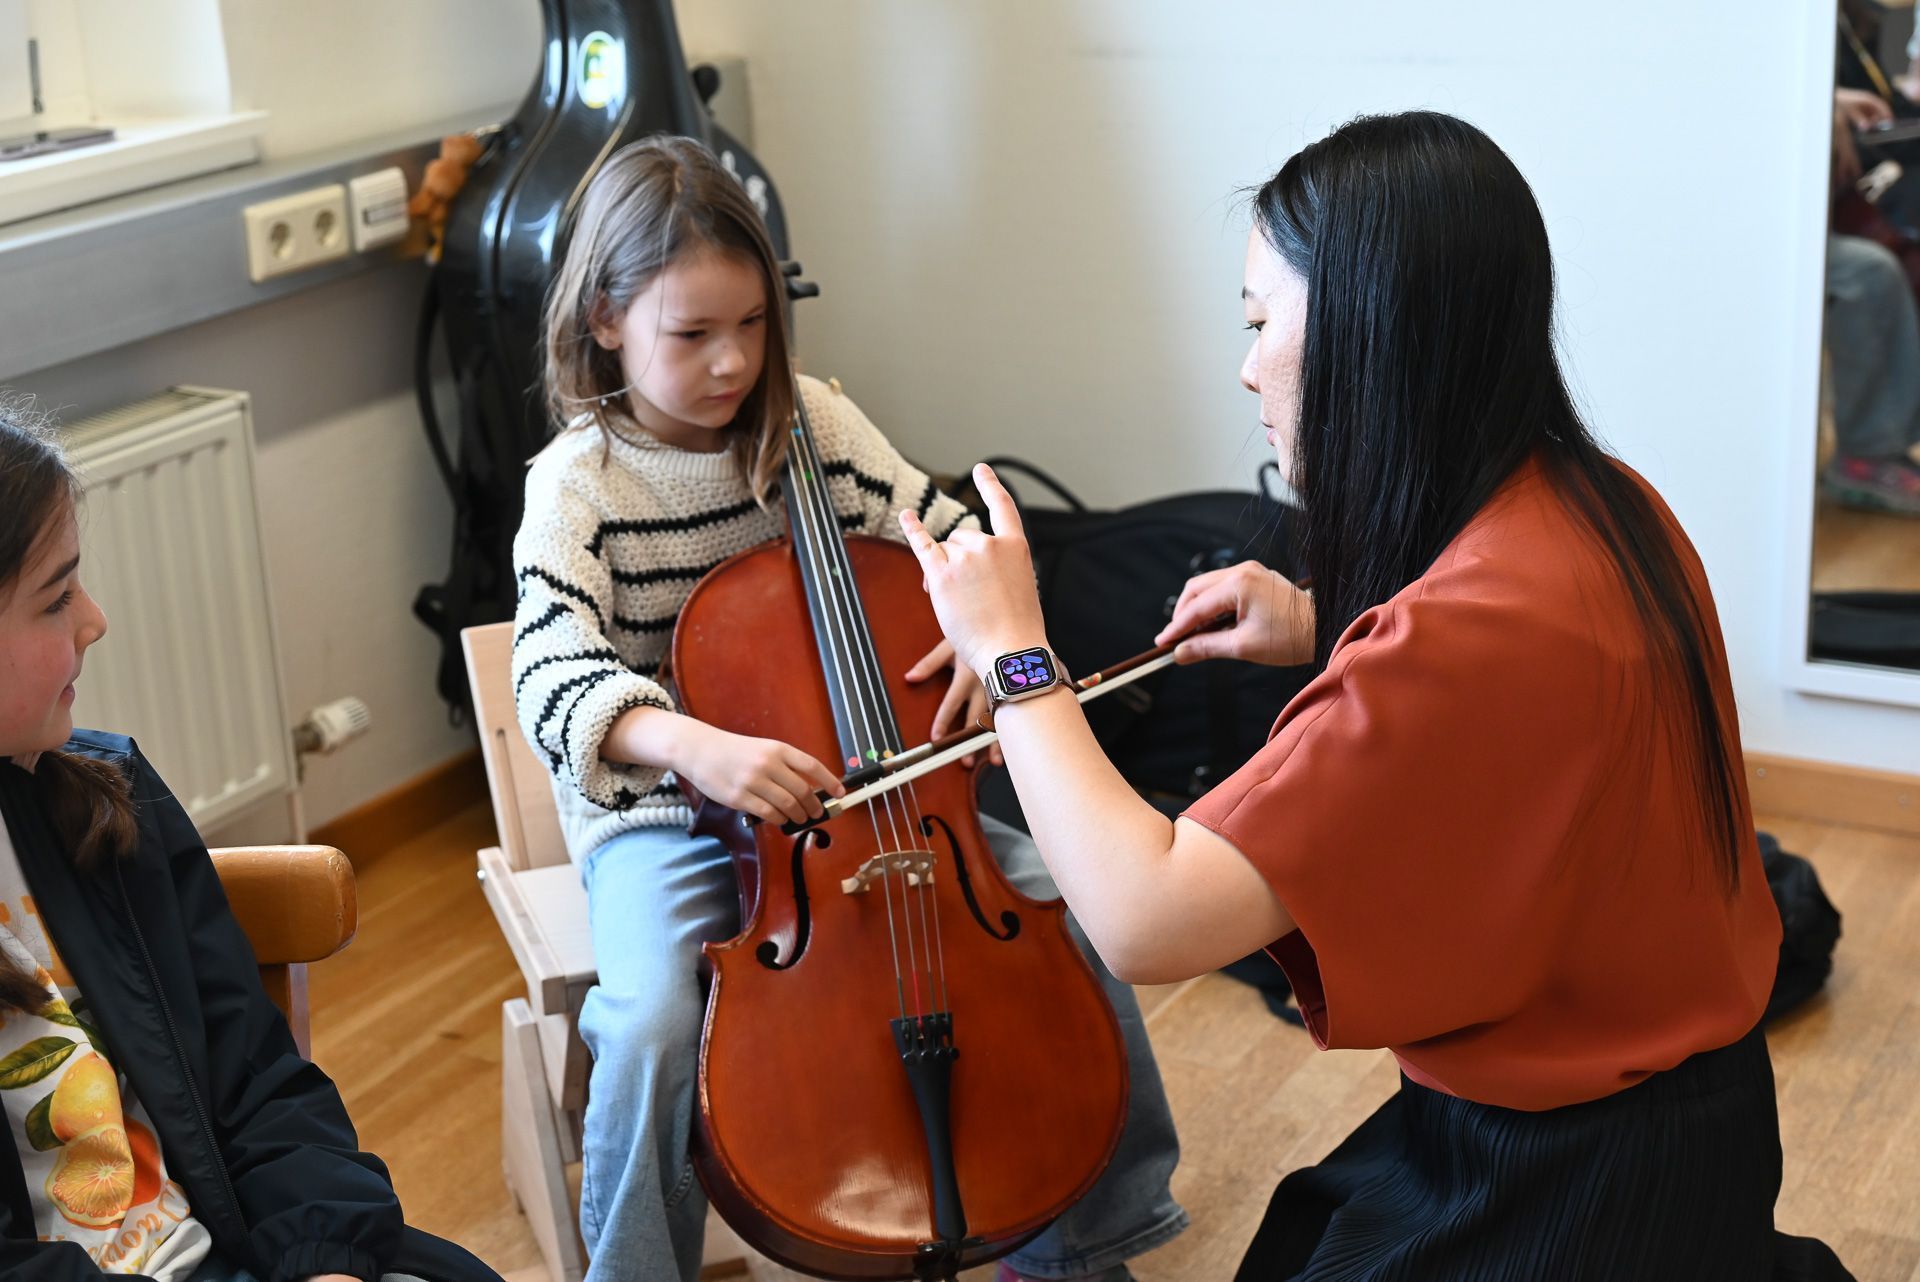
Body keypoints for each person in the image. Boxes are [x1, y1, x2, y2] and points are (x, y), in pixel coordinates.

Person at [899, 111, 1854, 1281]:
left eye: (1259, 321)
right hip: (1698, 1124)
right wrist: (1313, 619)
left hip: (1564, 1186)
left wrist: (1014, 657)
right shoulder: (1611, 506)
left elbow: (1146, 918)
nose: (1247, 365)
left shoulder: (1458, 640)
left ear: (1368, 327)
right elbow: (1512, 693)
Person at [509, 135, 1186, 1282]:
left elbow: (945, 534)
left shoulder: (810, 423)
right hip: (670, 810)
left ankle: (1092, 1232)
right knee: (653, 1020)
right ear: (608, 320)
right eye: (692, 334)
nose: (733, 364)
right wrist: (690, 743)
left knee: (1079, 904)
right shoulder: (580, 482)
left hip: (878, 781)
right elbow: (551, 675)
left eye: (753, 325)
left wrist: (983, 636)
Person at [0, 400, 500, 1282]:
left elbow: (261, 1085)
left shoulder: (103, 800)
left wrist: (324, 1259)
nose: (95, 619)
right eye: (55, 597)